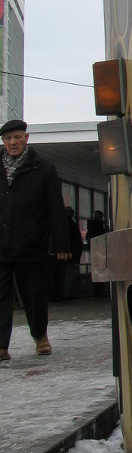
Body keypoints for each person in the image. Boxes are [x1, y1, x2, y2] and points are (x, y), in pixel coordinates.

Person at [0, 119, 70, 362]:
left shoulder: (43, 168)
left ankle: (40, 336)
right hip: (1, 244)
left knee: (35, 295)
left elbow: (55, 208)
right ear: (3, 142)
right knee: (0, 298)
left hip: (32, 244)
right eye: (8, 139)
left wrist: (61, 245)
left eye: (17, 137)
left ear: (26, 139)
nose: (12, 142)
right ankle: (1, 347)